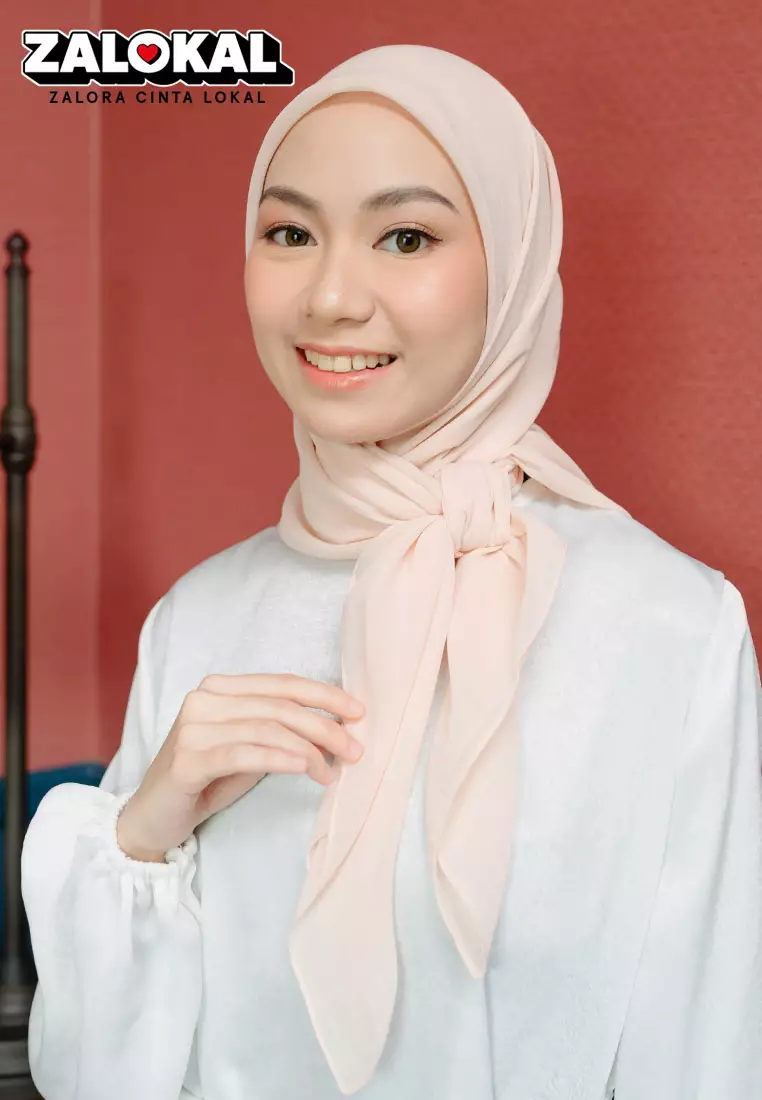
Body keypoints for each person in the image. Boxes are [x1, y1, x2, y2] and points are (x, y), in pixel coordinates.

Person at [21, 44, 762, 1100]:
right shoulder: (199, 621)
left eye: (405, 237)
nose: (329, 297)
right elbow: (103, 1074)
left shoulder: (669, 629)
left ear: (512, 265)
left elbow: (709, 1048)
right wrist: (143, 832)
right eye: (289, 233)